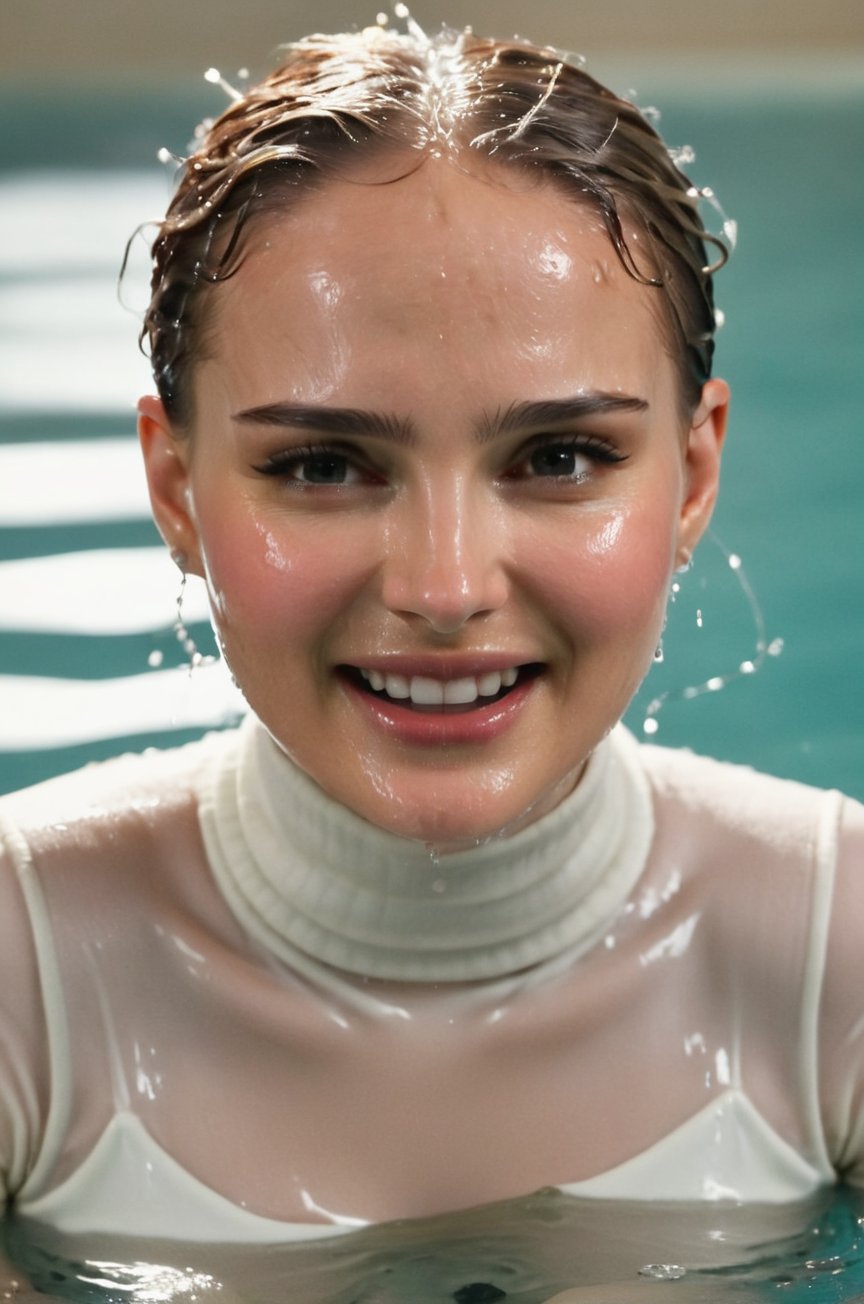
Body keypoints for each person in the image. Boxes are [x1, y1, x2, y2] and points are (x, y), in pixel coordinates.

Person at [0, 21, 862, 1246]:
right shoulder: (24, 968)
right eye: (323, 463)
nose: (446, 586)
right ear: (178, 489)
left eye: (560, 457)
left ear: (692, 472)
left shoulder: (838, 951)